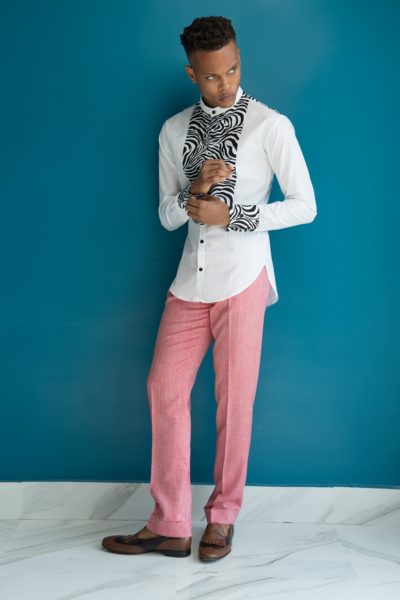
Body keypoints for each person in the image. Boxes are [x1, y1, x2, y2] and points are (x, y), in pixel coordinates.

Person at [102, 15, 317, 562]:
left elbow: (305, 206)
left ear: (239, 60)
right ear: (192, 74)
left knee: (234, 402)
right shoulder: (174, 131)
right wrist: (193, 190)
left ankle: (222, 517)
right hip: (189, 280)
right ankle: (171, 523)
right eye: (213, 76)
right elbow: (167, 216)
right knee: (164, 389)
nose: (225, 84)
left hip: (244, 277)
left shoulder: (270, 125)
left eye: (233, 70)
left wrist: (234, 215)